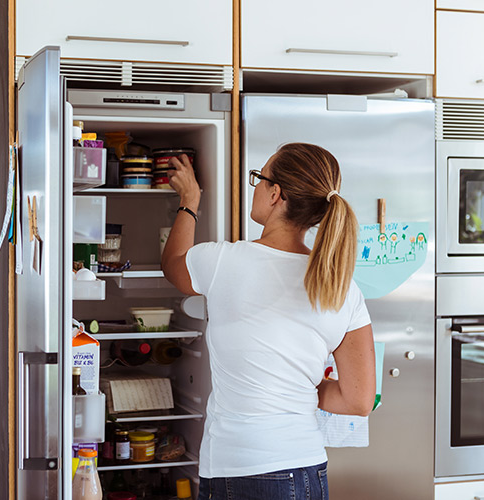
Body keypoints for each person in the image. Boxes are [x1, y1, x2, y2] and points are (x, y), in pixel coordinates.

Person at [161, 143, 376, 500]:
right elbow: (358, 401)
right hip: (308, 468)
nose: (256, 186)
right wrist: (301, 390)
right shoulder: (341, 286)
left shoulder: (224, 262)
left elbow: (173, 264)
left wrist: (190, 199)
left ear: (276, 193)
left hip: (243, 471)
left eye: (258, 178)